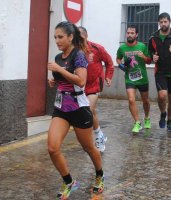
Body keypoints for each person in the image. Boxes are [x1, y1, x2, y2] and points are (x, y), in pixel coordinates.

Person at [47, 21, 104, 200]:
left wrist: (58, 70)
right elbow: (63, 80)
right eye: (55, 37)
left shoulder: (79, 55)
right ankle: (69, 181)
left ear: (71, 37)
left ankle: (100, 176)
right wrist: (54, 81)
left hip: (79, 109)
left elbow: (80, 81)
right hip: (61, 108)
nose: (57, 40)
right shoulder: (58, 58)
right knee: (52, 148)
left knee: (89, 147)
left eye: (61, 37)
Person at [78, 26, 114, 152]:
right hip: (80, 85)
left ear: (86, 36)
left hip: (94, 84)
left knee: (88, 110)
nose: (79, 40)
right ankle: (100, 135)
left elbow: (109, 62)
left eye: (81, 38)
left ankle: (94, 139)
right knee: (91, 113)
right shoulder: (74, 50)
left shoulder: (97, 48)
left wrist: (108, 76)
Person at [116, 25, 152, 133]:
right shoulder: (122, 48)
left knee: (145, 101)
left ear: (136, 35)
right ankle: (137, 122)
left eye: (132, 33)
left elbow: (149, 61)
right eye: (128, 33)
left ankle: (147, 118)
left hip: (142, 78)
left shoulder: (142, 46)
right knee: (131, 100)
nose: (130, 35)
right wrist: (121, 65)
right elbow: (118, 59)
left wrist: (143, 57)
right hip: (129, 78)